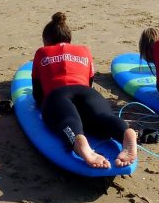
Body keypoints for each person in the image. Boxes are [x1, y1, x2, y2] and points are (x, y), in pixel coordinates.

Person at [31, 12, 136, 169]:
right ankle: (125, 132)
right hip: (87, 93)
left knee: (67, 120)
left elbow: (38, 95)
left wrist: (47, 107)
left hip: (57, 94)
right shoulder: (84, 51)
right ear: (69, 39)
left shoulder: (42, 53)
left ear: (46, 41)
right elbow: (89, 82)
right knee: (103, 117)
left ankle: (79, 141)